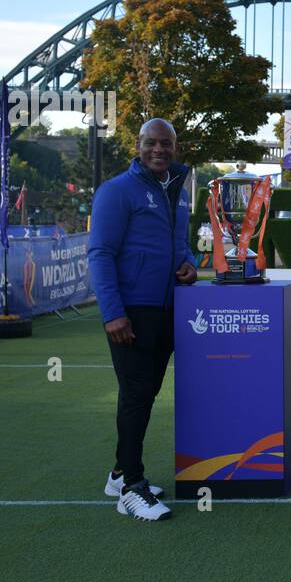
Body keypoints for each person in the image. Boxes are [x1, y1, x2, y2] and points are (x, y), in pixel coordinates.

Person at [88, 118, 198, 522]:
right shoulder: (117, 191)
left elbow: (180, 244)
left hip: (168, 308)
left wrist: (190, 263)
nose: (158, 150)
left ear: (175, 147)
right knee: (136, 394)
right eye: (151, 143)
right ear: (138, 145)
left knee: (145, 394)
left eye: (165, 143)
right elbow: (100, 253)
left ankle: (120, 474)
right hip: (132, 311)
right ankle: (131, 488)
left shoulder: (177, 190)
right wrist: (113, 313)